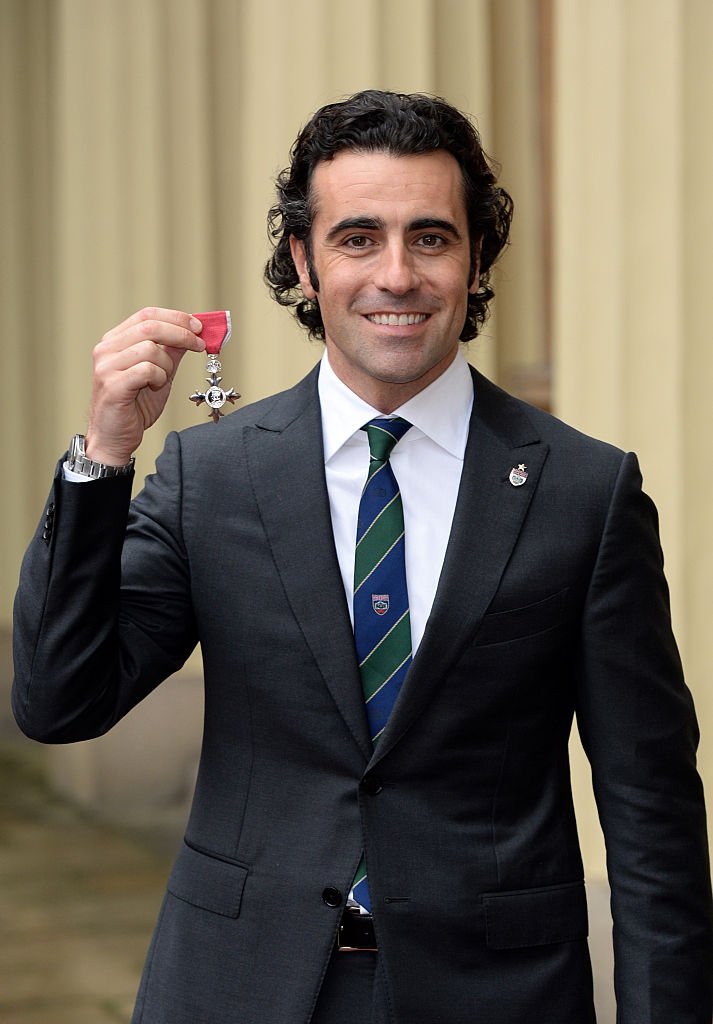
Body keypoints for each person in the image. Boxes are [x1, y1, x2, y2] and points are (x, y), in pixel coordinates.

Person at [12, 90, 712, 1024]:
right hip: (237, 986)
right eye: (356, 238)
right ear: (303, 262)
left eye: (430, 237)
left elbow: (649, 804)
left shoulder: (583, 492)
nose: (396, 274)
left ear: (474, 259)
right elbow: (60, 700)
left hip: (497, 995)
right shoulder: (211, 476)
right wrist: (99, 460)